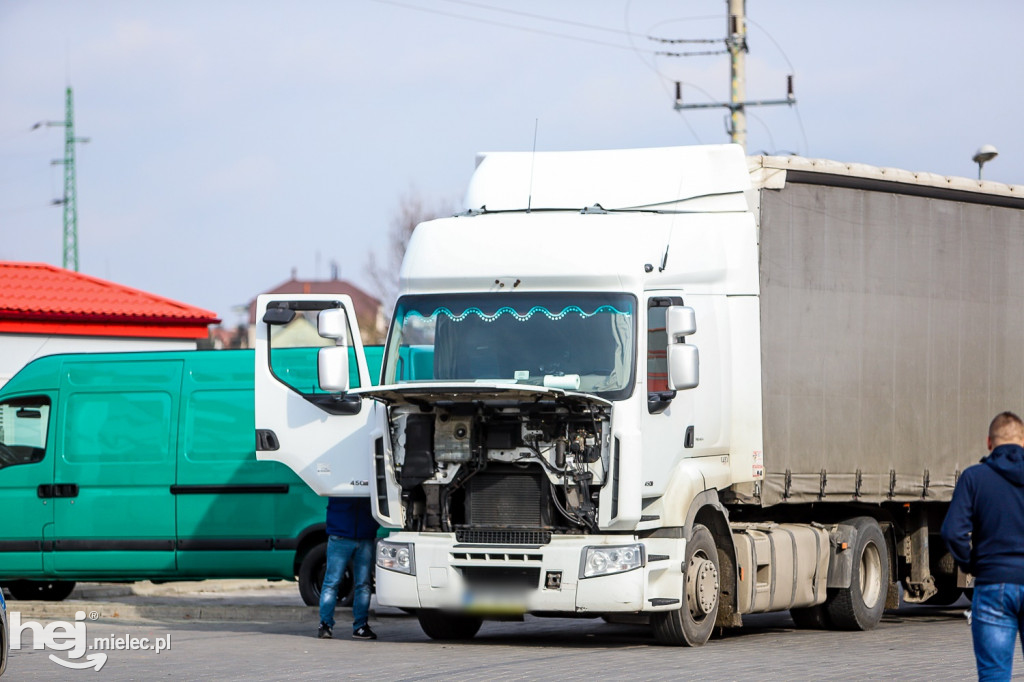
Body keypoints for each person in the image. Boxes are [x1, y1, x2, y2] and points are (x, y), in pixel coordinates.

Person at [942, 411, 1024, 680]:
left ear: (989, 442)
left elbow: (952, 532)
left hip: (993, 586)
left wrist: (974, 565)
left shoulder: (974, 478)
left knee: (994, 675)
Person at [317, 496, 379, 641]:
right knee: (361, 584)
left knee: (333, 582)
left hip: (345, 531)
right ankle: (359, 626)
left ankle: (326, 625)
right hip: (359, 532)